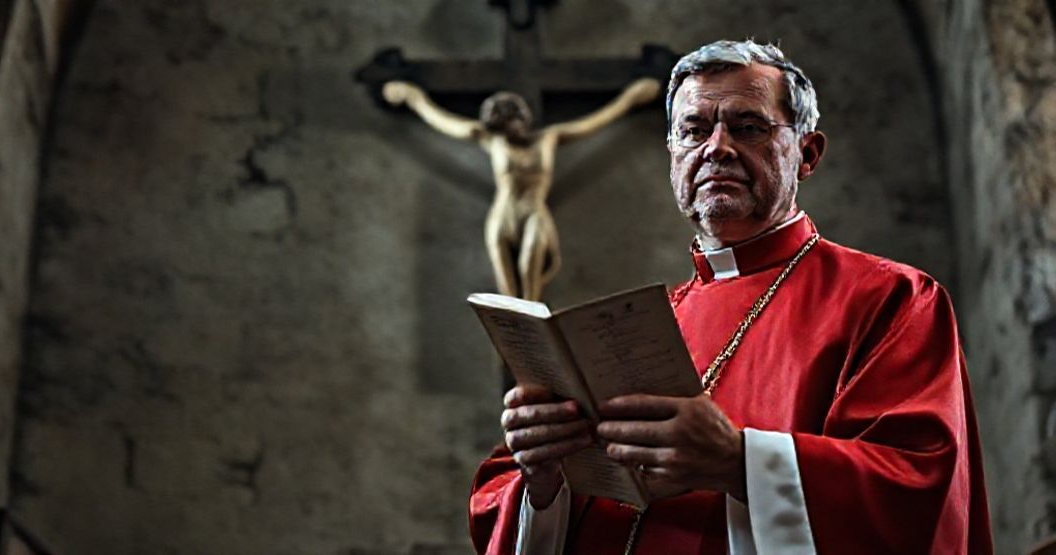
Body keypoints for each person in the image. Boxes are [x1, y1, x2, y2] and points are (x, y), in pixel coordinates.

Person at [469, 40, 993, 554]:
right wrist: (544, 479)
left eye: (747, 127)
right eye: (693, 130)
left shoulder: (891, 298)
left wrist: (739, 460)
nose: (716, 147)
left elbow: (919, 489)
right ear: (673, 155)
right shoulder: (638, 324)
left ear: (806, 154)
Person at [382, 78, 660, 301]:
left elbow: (596, 121)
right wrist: (413, 98)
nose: (507, 134)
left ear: (521, 118)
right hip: (503, 216)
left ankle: (535, 349)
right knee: (508, 300)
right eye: (500, 129)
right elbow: (444, 122)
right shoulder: (492, 139)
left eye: (509, 126)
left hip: (533, 212)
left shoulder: (549, 138)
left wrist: (631, 98)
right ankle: (513, 356)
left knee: (530, 286)